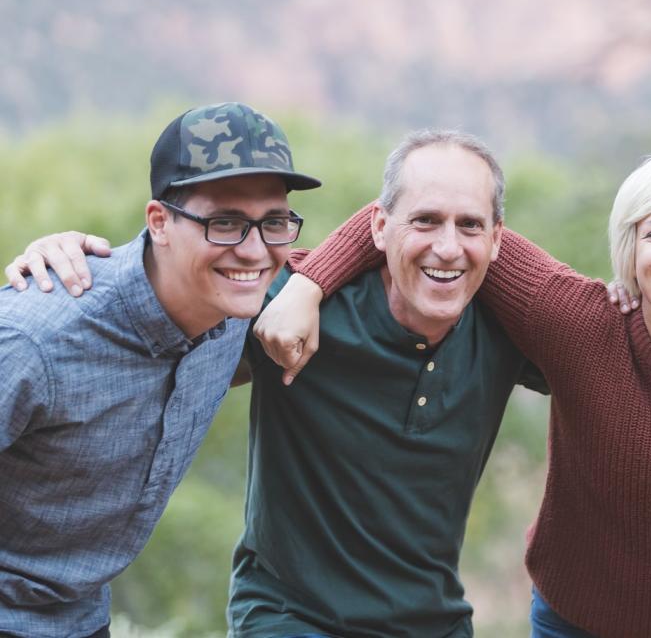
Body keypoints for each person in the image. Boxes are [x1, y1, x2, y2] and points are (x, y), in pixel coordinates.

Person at [8, 129, 551, 637]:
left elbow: (599, 335)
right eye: (425, 220)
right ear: (380, 228)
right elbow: (174, 284)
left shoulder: (507, 325)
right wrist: (68, 270)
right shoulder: (272, 305)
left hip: (437, 619)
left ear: (498, 237)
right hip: (289, 617)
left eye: (471, 225)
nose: (448, 246)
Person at [255, 149, 651, 637]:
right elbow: (410, 219)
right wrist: (310, 283)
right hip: (580, 622)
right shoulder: (580, 324)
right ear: (628, 248)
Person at [0, 102, 320, 638]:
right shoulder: (37, 337)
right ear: (159, 222)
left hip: (81, 619)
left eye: (274, 222)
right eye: (224, 223)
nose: (253, 250)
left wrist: (312, 284)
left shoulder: (238, 308)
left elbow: (400, 235)